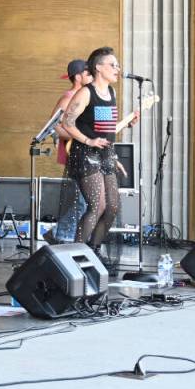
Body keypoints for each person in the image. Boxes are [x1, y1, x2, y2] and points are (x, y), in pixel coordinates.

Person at [60, 47, 136, 264]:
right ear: (98, 68)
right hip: (85, 154)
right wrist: (88, 140)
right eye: (113, 64)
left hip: (105, 154)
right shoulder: (86, 92)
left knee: (112, 206)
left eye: (117, 65)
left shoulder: (111, 93)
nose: (117, 69)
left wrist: (114, 153)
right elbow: (67, 122)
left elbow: (105, 128)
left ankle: (93, 250)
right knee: (97, 205)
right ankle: (74, 256)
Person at [43, 59, 92, 244]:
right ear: (78, 77)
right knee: (84, 200)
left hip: (87, 153)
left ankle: (62, 234)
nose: (91, 77)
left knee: (86, 200)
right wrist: (75, 137)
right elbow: (54, 125)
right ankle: (61, 234)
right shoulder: (68, 97)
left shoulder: (86, 96)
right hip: (76, 153)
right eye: (88, 74)